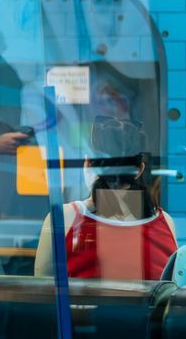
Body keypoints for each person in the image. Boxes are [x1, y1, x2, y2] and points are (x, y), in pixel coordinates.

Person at [33, 116, 177, 281]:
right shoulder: (166, 223)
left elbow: (44, 292)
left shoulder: (63, 218)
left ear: (88, 163)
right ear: (139, 170)